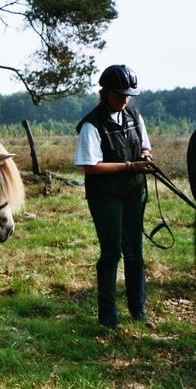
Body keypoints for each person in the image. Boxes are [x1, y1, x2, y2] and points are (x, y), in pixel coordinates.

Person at [75, 64, 156, 330]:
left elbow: (144, 145)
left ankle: (138, 310)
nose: (125, 100)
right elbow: (90, 166)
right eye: (120, 95)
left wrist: (144, 158)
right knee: (112, 252)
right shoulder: (91, 124)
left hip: (133, 192)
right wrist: (129, 166)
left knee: (135, 252)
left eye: (128, 95)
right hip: (105, 195)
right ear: (106, 92)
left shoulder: (133, 114)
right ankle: (109, 316)